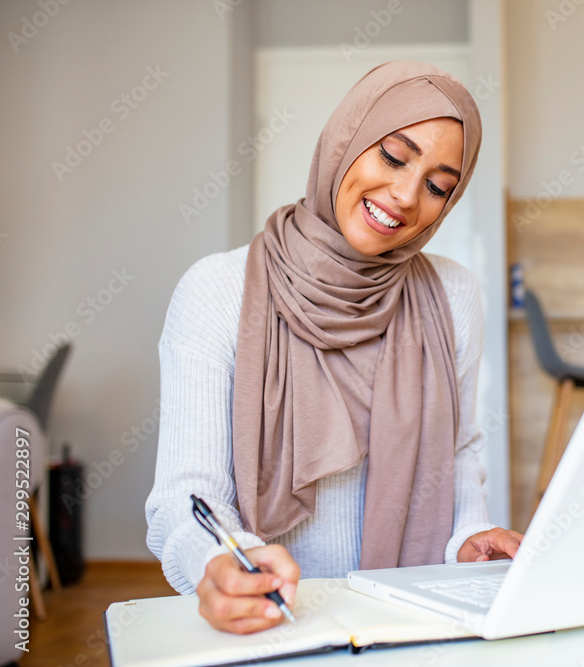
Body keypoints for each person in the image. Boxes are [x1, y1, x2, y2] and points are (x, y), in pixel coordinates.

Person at [146, 61, 522, 635]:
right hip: (273, 626)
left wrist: (468, 540)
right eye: (394, 156)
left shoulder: (452, 293)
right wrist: (218, 560)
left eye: (437, 186)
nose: (404, 195)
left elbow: (458, 452)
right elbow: (185, 495)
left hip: (408, 626)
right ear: (344, 141)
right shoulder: (217, 290)